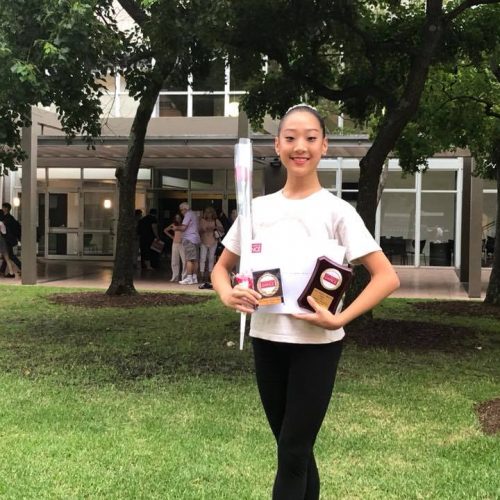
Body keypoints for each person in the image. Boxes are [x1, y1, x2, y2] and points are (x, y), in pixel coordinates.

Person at [211, 104, 400, 500]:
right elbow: (221, 268)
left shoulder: (338, 212)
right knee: (292, 448)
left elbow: (386, 276)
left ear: (324, 146)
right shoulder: (256, 210)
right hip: (267, 341)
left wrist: (340, 318)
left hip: (317, 348)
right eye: (291, 137)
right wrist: (229, 293)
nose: (301, 146)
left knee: (293, 451)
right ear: (277, 145)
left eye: (311, 138)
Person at [198, 206, 224, 283]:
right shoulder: (202, 220)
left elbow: (222, 229)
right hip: (204, 240)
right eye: (207, 212)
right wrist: (204, 229)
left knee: (211, 258)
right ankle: (202, 275)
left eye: (210, 212)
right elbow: (199, 230)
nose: (209, 214)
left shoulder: (216, 220)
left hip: (213, 241)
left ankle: (210, 275)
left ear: (213, 213)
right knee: (202, 258)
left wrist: (215, 227)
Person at [176, 202, 201, 284]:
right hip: (196, 238)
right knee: (195, 260)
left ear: (185, 209)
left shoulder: (188, 215)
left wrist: (176, 228)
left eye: (181, 210)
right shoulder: (194, 215)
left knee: (189, 259)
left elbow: (183, 227)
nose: (181, 212)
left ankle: (189, 278)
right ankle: (194, 278)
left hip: (189, 239)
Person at [164, 213, 187, 282]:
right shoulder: (173, 224)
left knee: (184, 260)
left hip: (183, 243)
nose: (178, 219)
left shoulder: (184, 225)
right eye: (176, 217)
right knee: (174, 260)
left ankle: (184, 277)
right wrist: (172, 237)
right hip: (175, 243)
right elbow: (165, 230)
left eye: (179, 217)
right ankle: (175, 276)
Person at [0, 203, 22, 274]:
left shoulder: (8, 218)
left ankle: (21, 267)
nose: (2, 209)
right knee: (6, 255)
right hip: (7, 239)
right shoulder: (8, 217)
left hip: (7, 240)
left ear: (6, 208)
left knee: (10, 255)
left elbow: (7, 230)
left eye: (3, 207)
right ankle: (2, 270)